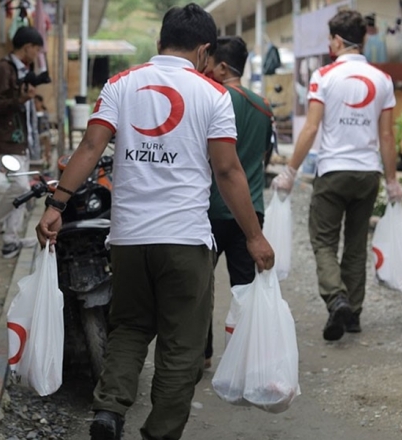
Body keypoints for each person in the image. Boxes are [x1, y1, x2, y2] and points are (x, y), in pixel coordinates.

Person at [35, 4, 274, 439]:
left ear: (160, 42)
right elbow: (227, 171)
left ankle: (109, 410)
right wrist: (254, 236)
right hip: (184, 239)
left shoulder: (120, 84)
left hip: (128, 238)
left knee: (128, 327)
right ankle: (159, 432)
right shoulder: (213, 95)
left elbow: (90, 147)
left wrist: (57, 205)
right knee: (182, 345)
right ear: (204, 51)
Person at [273, 10, 402, 342]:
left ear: (338, 40)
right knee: (356, 244)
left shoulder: (324, 76)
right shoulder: (382, 80)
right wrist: (392, 181)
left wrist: (290, 171)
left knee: (323, 241)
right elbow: (387, 136)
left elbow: (311, 128)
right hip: (368, 174)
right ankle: (353, 314)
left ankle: (336, 298)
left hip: (333, 172)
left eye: (330, 39)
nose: (329, 45)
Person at [203, 36, 274, 369]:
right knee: (244, 287)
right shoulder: (263, 106)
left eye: (208, 63)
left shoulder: (213, 99)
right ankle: (243, 359)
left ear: (222, 67)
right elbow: (264, 156)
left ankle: (201, 355)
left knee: (200, 286)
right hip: (250, 211)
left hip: (211, 208)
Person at [0, 26, 44, 259]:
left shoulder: (23, 70)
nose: (37, 54)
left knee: (24, 191)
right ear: (28, 47)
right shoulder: (3, 70)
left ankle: (11, 241)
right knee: (21, 187)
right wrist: (21, 99)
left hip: (20, 141)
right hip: (7, 141)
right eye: (37, 49)